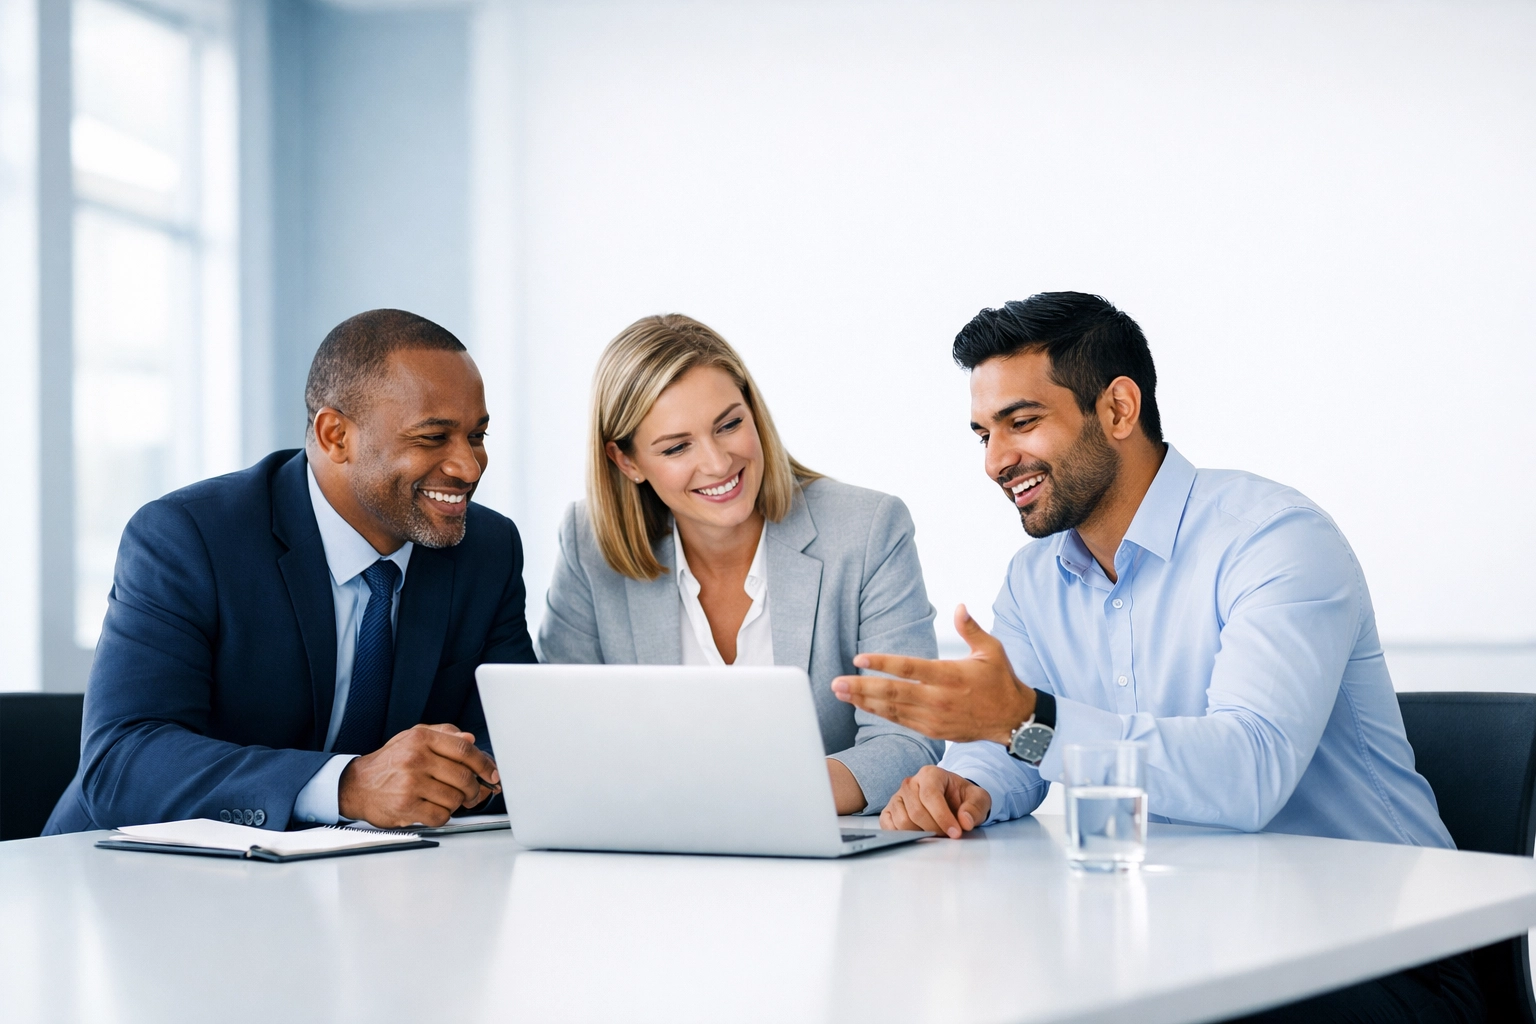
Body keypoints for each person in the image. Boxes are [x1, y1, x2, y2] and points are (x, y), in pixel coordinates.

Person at [833, 293, 1481, 1022]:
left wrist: (1025, 722)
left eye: (1022, 422)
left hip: (1386, 953)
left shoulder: (1273, 539)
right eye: (982, 433)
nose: (994, 460)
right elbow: (1014, 747)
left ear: (1117, 409)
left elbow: (1250, 769)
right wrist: (964, 784)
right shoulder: (1035, 579)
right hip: (1190, 942)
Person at [45, 309, 537, 834]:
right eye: (432, 438)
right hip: (139, 878)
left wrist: (477, 772)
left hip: (375, 886)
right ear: (335, 435)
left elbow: (516, 746)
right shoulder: (189, 537)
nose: (468, 466)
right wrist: (348, 785)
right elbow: (122, 763)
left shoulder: (487, 548)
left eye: (477, 436)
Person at [540, 313, 943, 814]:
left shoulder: (866, 528)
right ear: (627, 462)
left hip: (817, 856)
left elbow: (907, 740)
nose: (717, 463)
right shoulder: (588, 545)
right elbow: (562, 740)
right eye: (677, 447)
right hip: (651, 863)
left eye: (729, 425)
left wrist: (757, 797)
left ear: (754, 412)